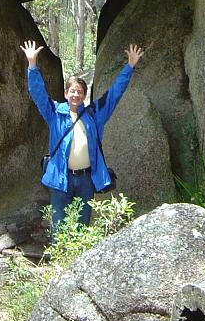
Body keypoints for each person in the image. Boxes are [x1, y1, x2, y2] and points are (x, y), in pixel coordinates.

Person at [20, 39, 144, 233]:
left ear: (84, 95)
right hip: (61, 178)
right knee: (59, 226)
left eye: (79, 92)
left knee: (82, 226)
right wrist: (32, 65)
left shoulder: (94, 114)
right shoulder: (55, 113)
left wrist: (130, 66)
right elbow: (38, 93)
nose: (75, 95)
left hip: (86, 179)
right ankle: (60, 251)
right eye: (72, 91)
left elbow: (114, 94)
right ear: (65, 94)